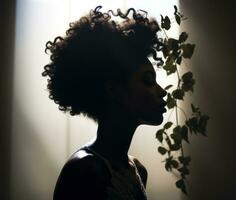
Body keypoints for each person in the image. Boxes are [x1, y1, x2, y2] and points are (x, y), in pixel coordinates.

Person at [42, 5, 167, 200]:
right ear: (114, 90)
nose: (162, 92)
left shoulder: (138, 171)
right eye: (148, 81)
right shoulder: (84, 170)